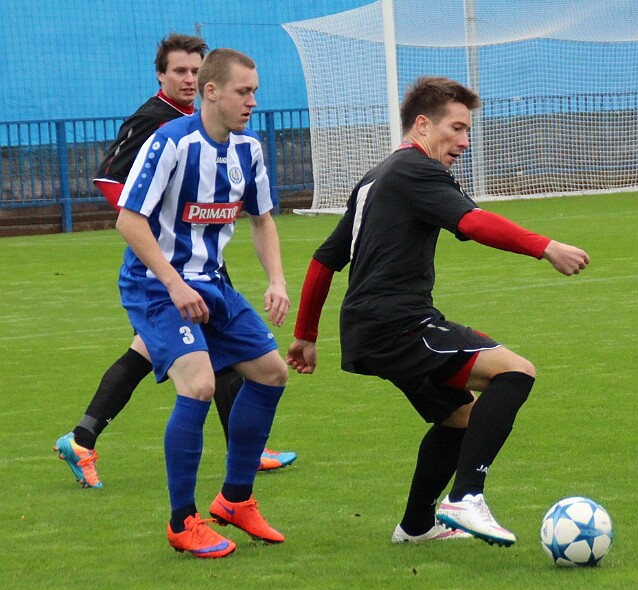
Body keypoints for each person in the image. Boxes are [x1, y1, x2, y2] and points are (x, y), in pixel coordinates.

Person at [286, 76, 590, 547]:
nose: (465, 141)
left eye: (468, 131)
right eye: (457, 128)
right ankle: (466, 497)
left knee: (460, 416)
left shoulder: (376, 177)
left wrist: (307, 334)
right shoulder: (416, 171)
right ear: (423, 125)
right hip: (399, 324)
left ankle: (416, 526)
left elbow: (325, 260)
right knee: (516, 373)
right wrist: (545, 246)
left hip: (370, 328)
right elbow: (472, 221)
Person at [53, 34, 295, 490]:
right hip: (159, 271)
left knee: (192, 358)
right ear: (163, 76)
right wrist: (157, 227)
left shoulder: (238, 139)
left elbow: (260, 217)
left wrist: (272, 276)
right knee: (199, 371)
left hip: (205, 268)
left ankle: (84, 436)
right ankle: (198, 499)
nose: (188, 78)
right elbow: (113, 185)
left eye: (194, 69)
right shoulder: (158, 126)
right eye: (179, 71)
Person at [115, 48, 290, 558]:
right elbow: (129, 221)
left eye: (255, 91)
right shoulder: (169, 143)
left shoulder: (248, 150)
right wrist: (173, 283)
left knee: (271, 372)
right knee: (200, 383)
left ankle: (235, 500)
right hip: (155, 283)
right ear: (211, 92)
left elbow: (262, 220)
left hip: (211, 282)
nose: (252, 101)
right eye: (243, 91)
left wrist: (276, 280)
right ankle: (181, 520)